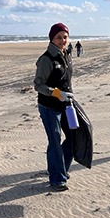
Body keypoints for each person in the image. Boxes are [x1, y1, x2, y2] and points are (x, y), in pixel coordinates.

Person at [34, 23, 75, 192]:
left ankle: (61, 168)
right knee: (55, 141)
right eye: (59, 37)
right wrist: (56, 93)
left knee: (73, 137)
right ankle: (57, 178)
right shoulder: (46, 59)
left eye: (65, 37)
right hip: (49, 106)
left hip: (67, 105)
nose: (62, 40)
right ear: (52, 38)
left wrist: (68, 95)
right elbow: (38, 85)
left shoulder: (66, 55)